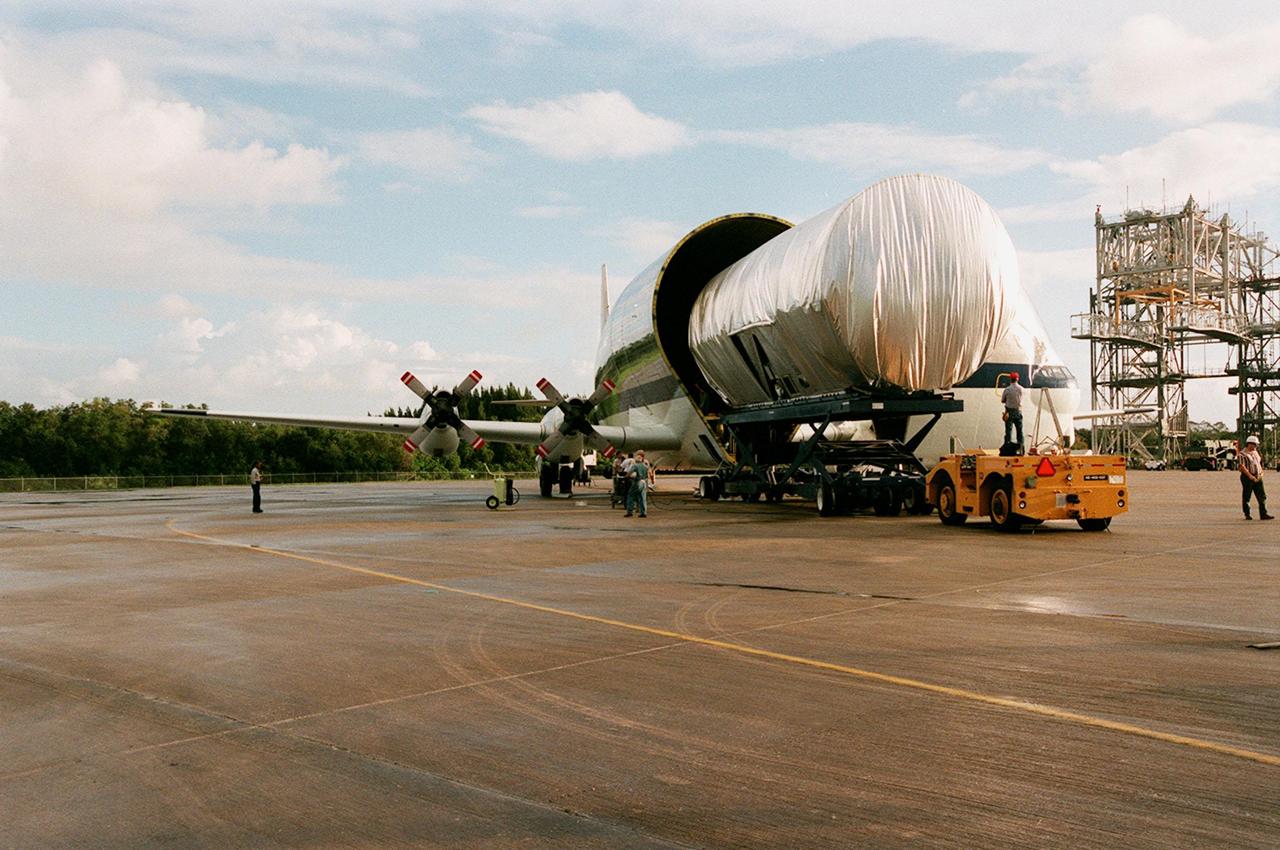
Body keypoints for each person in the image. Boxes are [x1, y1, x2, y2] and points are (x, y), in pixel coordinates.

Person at [1238, 435, 1273, 520]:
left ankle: (1263, 514)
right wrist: (1250, 477)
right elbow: (1242, 467)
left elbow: (1259, 463)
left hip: (1258, 476)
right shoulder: (1242, 454)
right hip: (1247, 477)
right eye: (1255, 444)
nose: (1256, 446)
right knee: (1247, 496)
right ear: (1249, 444)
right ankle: (1247, 514)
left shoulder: (1256, 452)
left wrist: (1261, 473)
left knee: (1262, 496)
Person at [1001, 372, 1025, 450]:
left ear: (1010, 379)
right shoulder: (1021, 389)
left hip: (1009, 412)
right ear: (1017, 379)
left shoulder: (1007, 389)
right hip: (1018, 411)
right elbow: (1021, 398)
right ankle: (1021, 448)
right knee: (1019, 431)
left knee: (1008, 431)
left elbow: (1003, 400)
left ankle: (1007, 447)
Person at [625, 450, 650, 518]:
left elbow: (629, 473)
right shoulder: (645, 466)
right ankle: (643, 512)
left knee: (630, 495)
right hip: (644, 482)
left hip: (637, 482)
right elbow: (648, 474)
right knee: (642, 498)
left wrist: (627, 476)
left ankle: (629, 512)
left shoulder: (635, 466)